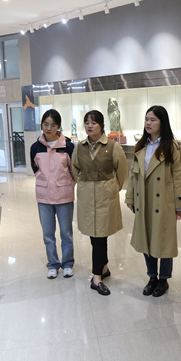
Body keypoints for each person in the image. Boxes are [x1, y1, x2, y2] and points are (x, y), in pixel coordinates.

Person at [125, 105, 181, 298]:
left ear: (162, 122)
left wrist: (178, 204)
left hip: (163, 200)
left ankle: (163, 279)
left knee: (164, 240)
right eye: (146, 119)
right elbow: (133, 175)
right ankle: (152, 277)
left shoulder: (171, 146)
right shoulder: (140, 145)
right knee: (146, 237)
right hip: (144, 198)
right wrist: (130, 197)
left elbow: (178, 176)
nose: (148, 123)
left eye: (153, 119)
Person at [71, 110, 127, 296]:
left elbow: (122, 171)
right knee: (94, 234)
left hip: (105, 197)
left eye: (94, 122)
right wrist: (83, 184)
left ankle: (96, 278)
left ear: (102, 125)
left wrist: (113, 188)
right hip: (87, 198)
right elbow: (74, 168)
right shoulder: (80, 147)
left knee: (100, 236)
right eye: (87, 122)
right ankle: (103, 268)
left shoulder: (113, 146)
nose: (89, 126)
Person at [30, 109, 75, 279]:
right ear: (41, 125)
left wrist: (66, 184)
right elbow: (35, 169)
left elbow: (73, 170)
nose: (49, 128)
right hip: (44, 197)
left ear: (59, 126)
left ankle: (68, 263)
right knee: (48, 234)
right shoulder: (36, 147)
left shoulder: (68, 146)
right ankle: (53, 264)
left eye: (53, 125)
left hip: (64, 196)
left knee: (66, 233)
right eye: (45, 124)